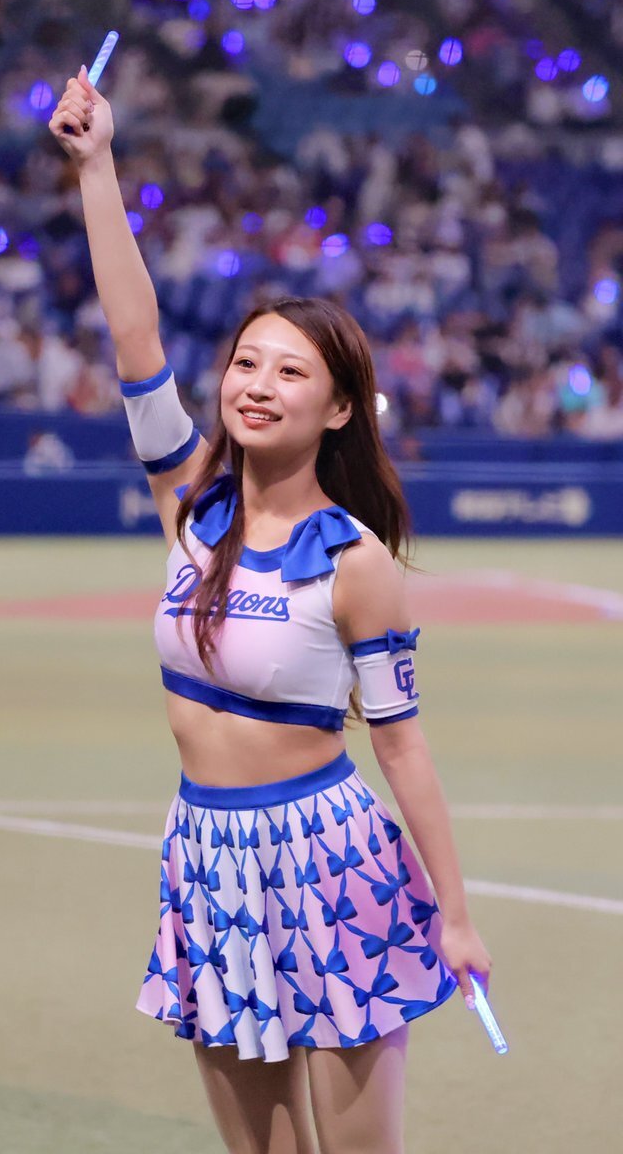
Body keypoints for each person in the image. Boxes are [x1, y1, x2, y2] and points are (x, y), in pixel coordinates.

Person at [50, 66, 492, 1154]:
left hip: (330, 861)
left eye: (289, 372)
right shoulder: (189, 504)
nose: (255, 383)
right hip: (205, 854)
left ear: (337, 408)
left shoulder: (355, 564)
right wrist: (98, 167)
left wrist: (454, 913)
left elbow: (402, 746)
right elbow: (135, 340)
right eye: (246, 362)